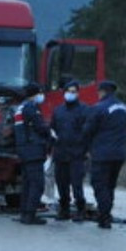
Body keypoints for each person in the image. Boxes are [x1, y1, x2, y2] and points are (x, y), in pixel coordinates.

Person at [82, 80, 126, 230]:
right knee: (110, 185)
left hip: (102, 153)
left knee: (100, 184)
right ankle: (107, 213)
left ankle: (104, 217)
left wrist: (86, 148)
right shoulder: (125, 108)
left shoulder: (98, 108)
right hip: (120, 153)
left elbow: (87, 130)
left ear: (102, 92)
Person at [49, 79, 90, 221]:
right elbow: (52, 128)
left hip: (77, 154)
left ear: (78, 93)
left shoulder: (84, 110)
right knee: (61, 183)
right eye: (68, 91)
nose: (70, 94)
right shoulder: (58, 110)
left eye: (73, 92)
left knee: (77, 184)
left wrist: (84, 149)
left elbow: (88, 132)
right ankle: (64, 210)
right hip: (60, 153)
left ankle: (80, 210)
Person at [13, 82, 51, 225]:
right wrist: (51, 134)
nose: (42, 96)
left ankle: (24, 213)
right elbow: (40, 127)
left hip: (24, 150)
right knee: (37, 184)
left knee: (28, 184)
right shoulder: (30, 108)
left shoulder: (20, 107)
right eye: (40, 93)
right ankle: (30, 215)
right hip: (33, 150)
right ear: (34, 94)